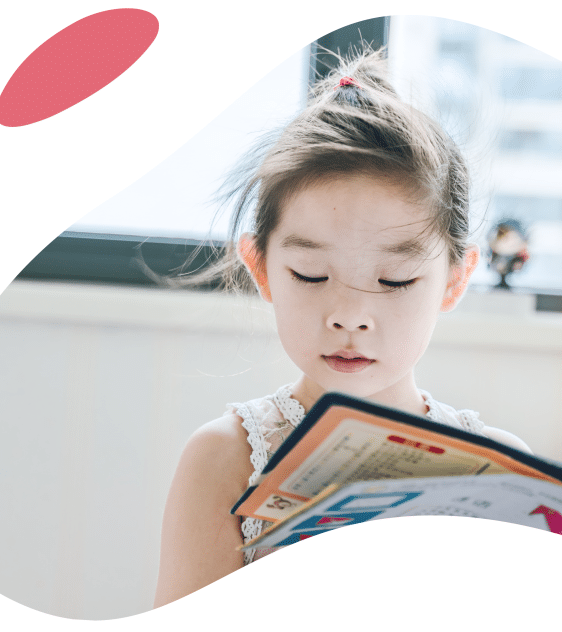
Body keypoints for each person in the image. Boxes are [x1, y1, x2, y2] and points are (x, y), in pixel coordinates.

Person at [153, 48, 532, 608]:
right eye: (311, 274)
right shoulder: (225, 460)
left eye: (396, 279)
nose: (349, 314)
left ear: (455, 279)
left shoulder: (500, 468)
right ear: (261, 269)